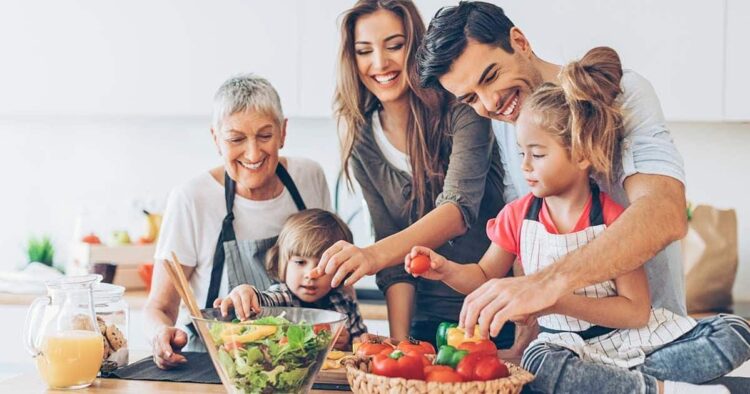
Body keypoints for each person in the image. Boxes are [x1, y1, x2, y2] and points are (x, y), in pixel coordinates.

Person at [407, 47, 750, 394]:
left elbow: (635, 313)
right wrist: (445, 269)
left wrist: (551, 297)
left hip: (630, 341)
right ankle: (669, 389)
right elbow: (482, 276)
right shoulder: (517, 217)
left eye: (538, 154)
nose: (525, 166)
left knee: (734, 332)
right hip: (566, 347)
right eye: (522, 153)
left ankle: (621, 385)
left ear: (583, 154)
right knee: (540, 363)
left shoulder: (617, 222)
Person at [416, 1, 691, 341]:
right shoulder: (508, 122)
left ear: (519, 41)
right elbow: (525, 244)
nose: (490, 104)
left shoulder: (623, 93)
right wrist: (523, 343)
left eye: (490, 77)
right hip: (566, 344)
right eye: (470, 98)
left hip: (654, 335)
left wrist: (548, 285)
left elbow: (665, 212)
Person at [310, 0, 528, 353]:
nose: (379, 63)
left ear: (417, 47)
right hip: (423, 325)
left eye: (394, 45)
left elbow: (458, 211)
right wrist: (399, 346)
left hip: (492, 315)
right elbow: (394, 264)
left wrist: (371, 255)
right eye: (364, 51)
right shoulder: (362, 138)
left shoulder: (464, 105)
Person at [144, 74, 332, 369]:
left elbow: (336, 275)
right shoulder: (191, 199)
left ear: (283, 132)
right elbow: (160, 306)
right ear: (216, 139)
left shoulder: (309, 178)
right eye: (236, 139)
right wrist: (160, 335)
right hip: (215, 367)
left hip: (299, 364)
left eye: (265, 135)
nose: (253, 153)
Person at [214, 209, 368, 350]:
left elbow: (363, 345)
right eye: (300, 262)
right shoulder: (282, 296)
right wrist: (246, 292)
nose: (310, 274)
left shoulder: (346, 303)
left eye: (323, 266)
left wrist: (348, 342)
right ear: (282, 264)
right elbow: (263, 301)